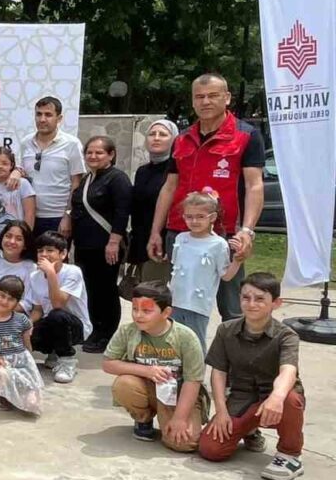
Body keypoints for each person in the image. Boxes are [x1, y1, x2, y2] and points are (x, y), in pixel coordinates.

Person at [147, 74, 265, 322]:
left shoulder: (246, 135)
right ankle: (183, 346)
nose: (206, 101)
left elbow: (254, 186)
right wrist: (156, 231)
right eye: (199, 97)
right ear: (193, 101)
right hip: (180, 231)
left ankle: (234, 348)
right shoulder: (182, 139)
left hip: (225, 234)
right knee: (179, 301)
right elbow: (169, 187)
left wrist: (247, 231)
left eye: (213, 95)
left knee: (232, 306)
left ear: (227, 97)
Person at [198, 272, 306, 480]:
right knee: (211, 449)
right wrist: (221, 411)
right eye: (246, 297)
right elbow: (218, 372)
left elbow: (288, 371)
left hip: (277, 399)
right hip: (242, 397)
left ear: (276, 303)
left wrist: (276, 397)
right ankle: (250, 430)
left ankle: (290, 455)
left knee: (290, 398)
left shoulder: (286, 335)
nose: (251, 304)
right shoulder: (226, 330)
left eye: (260, 299)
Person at [103, 282, 205, 450]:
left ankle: (174, 419)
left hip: (177, 394)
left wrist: (179, 418)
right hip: (146, 388)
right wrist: (147, 371)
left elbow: (193, 381)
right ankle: (143, 419)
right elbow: (108, 364)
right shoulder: (127, 331)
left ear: (166, 312)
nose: (138, 315)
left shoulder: (186, 337)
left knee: (185, 444)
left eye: (146, 311)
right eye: (135, 309)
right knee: (124, 384)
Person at [70, 135, 133, 352]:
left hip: (106, 246)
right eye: (89, 152)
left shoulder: (117, 179)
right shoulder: (88, 179)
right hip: (85, 246)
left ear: (111, 155)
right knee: (91, 289)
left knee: (106, 290)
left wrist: (114, 241)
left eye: (99, 152)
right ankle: (95, 329)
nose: (93, 156)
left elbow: (122, 212)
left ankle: (107, 334)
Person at [169, 192, 242, 351]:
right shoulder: (181, 238)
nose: (194, 221)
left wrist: (237, 260)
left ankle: (197, 367)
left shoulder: (218, 244)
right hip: (175, 301)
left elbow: (226, 276)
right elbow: (175, 268)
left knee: (194, 343)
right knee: (173, 341)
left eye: (200, 216)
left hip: (198, 305)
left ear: (212, 217)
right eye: (189, 217)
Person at [22, 231, 91, 383]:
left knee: (57, 315)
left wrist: (51, 273)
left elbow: (58, 304)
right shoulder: (34, 276)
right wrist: (27, 325)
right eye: (40, 251)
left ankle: (67, 361)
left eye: (50, 250)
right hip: (51, 322)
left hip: (75, 326)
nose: (44, 254)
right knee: (23, 329)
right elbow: (38, 309)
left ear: (63, 254)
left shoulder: (73, 272)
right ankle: (54, 351)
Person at [15, 96, 86, 236]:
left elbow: (76, 184)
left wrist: (68, 215)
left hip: (58, 218)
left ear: (59, 118)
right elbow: (22, 172)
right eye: (38, 114)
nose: (42, 119)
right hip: (27, 215)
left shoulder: (72, 144)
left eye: (48, 115)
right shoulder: (25, 142)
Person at [0, 276, 41, 414]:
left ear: (17, 302)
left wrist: (30, 362)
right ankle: (1, 395)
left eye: (10, 299)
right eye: (2, 296)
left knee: (32, 405)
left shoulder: (22, 320)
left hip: (21, 364)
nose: (4, 301)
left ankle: (22, 392)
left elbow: (27, 344)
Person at [127, 119, 179, 283]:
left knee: (156, 291)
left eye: (162, 134)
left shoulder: (177, 171)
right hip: (142, 241)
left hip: (163, 243)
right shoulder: (142, 171)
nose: (156, 138)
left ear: (174, 139)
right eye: (152, 134)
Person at [0, 221, 36, 289]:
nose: (12, 241)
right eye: (8, 236)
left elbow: (28, 295)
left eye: (18, 239)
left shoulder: (30, 267)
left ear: (25, 245)